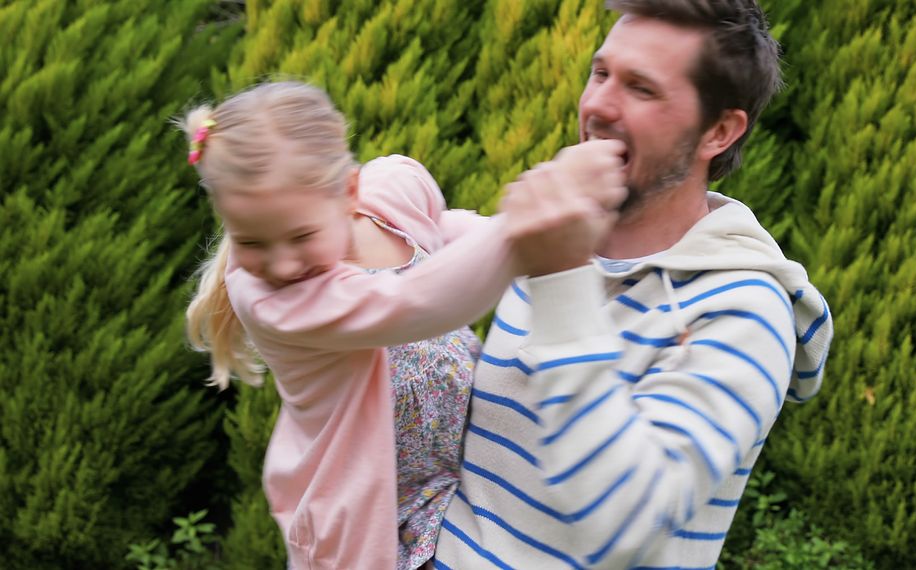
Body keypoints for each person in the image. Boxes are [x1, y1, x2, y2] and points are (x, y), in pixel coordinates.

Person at [434, 0, 834, 568]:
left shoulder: (747, 313)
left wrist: (561, 275)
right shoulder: (557, 244)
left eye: (641, 88)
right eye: (601, 73)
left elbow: (622, 521)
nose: (597, 105)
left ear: (718, 131)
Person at [181, 82, 626, 570]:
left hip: (455, 475)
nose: (282, 264)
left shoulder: (387, 200)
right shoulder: (273, 300)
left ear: (349, 193)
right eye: (251, 242)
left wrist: (583, 259)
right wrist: (534, 225)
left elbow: (443, 229)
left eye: (301, 236)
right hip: (371, 515)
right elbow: (418, 301)